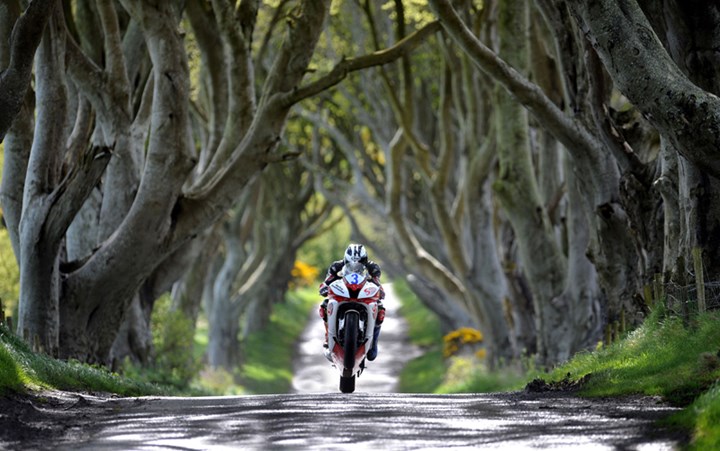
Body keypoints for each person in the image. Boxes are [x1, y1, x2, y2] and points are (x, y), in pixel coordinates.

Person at [318, 243, 385, 361]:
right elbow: (327, 280)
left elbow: (377, 282)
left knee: (380, 309)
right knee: (324, 305)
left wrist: (381, 291)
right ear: (345, 259)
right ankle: (328, 337)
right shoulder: (336, 266)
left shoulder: (373, 267)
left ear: (365, 260)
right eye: (351, 262)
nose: (355, 266)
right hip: (343, 291)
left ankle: (373, 343)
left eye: (359, 262)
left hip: (363, 293)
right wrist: (323, 287)